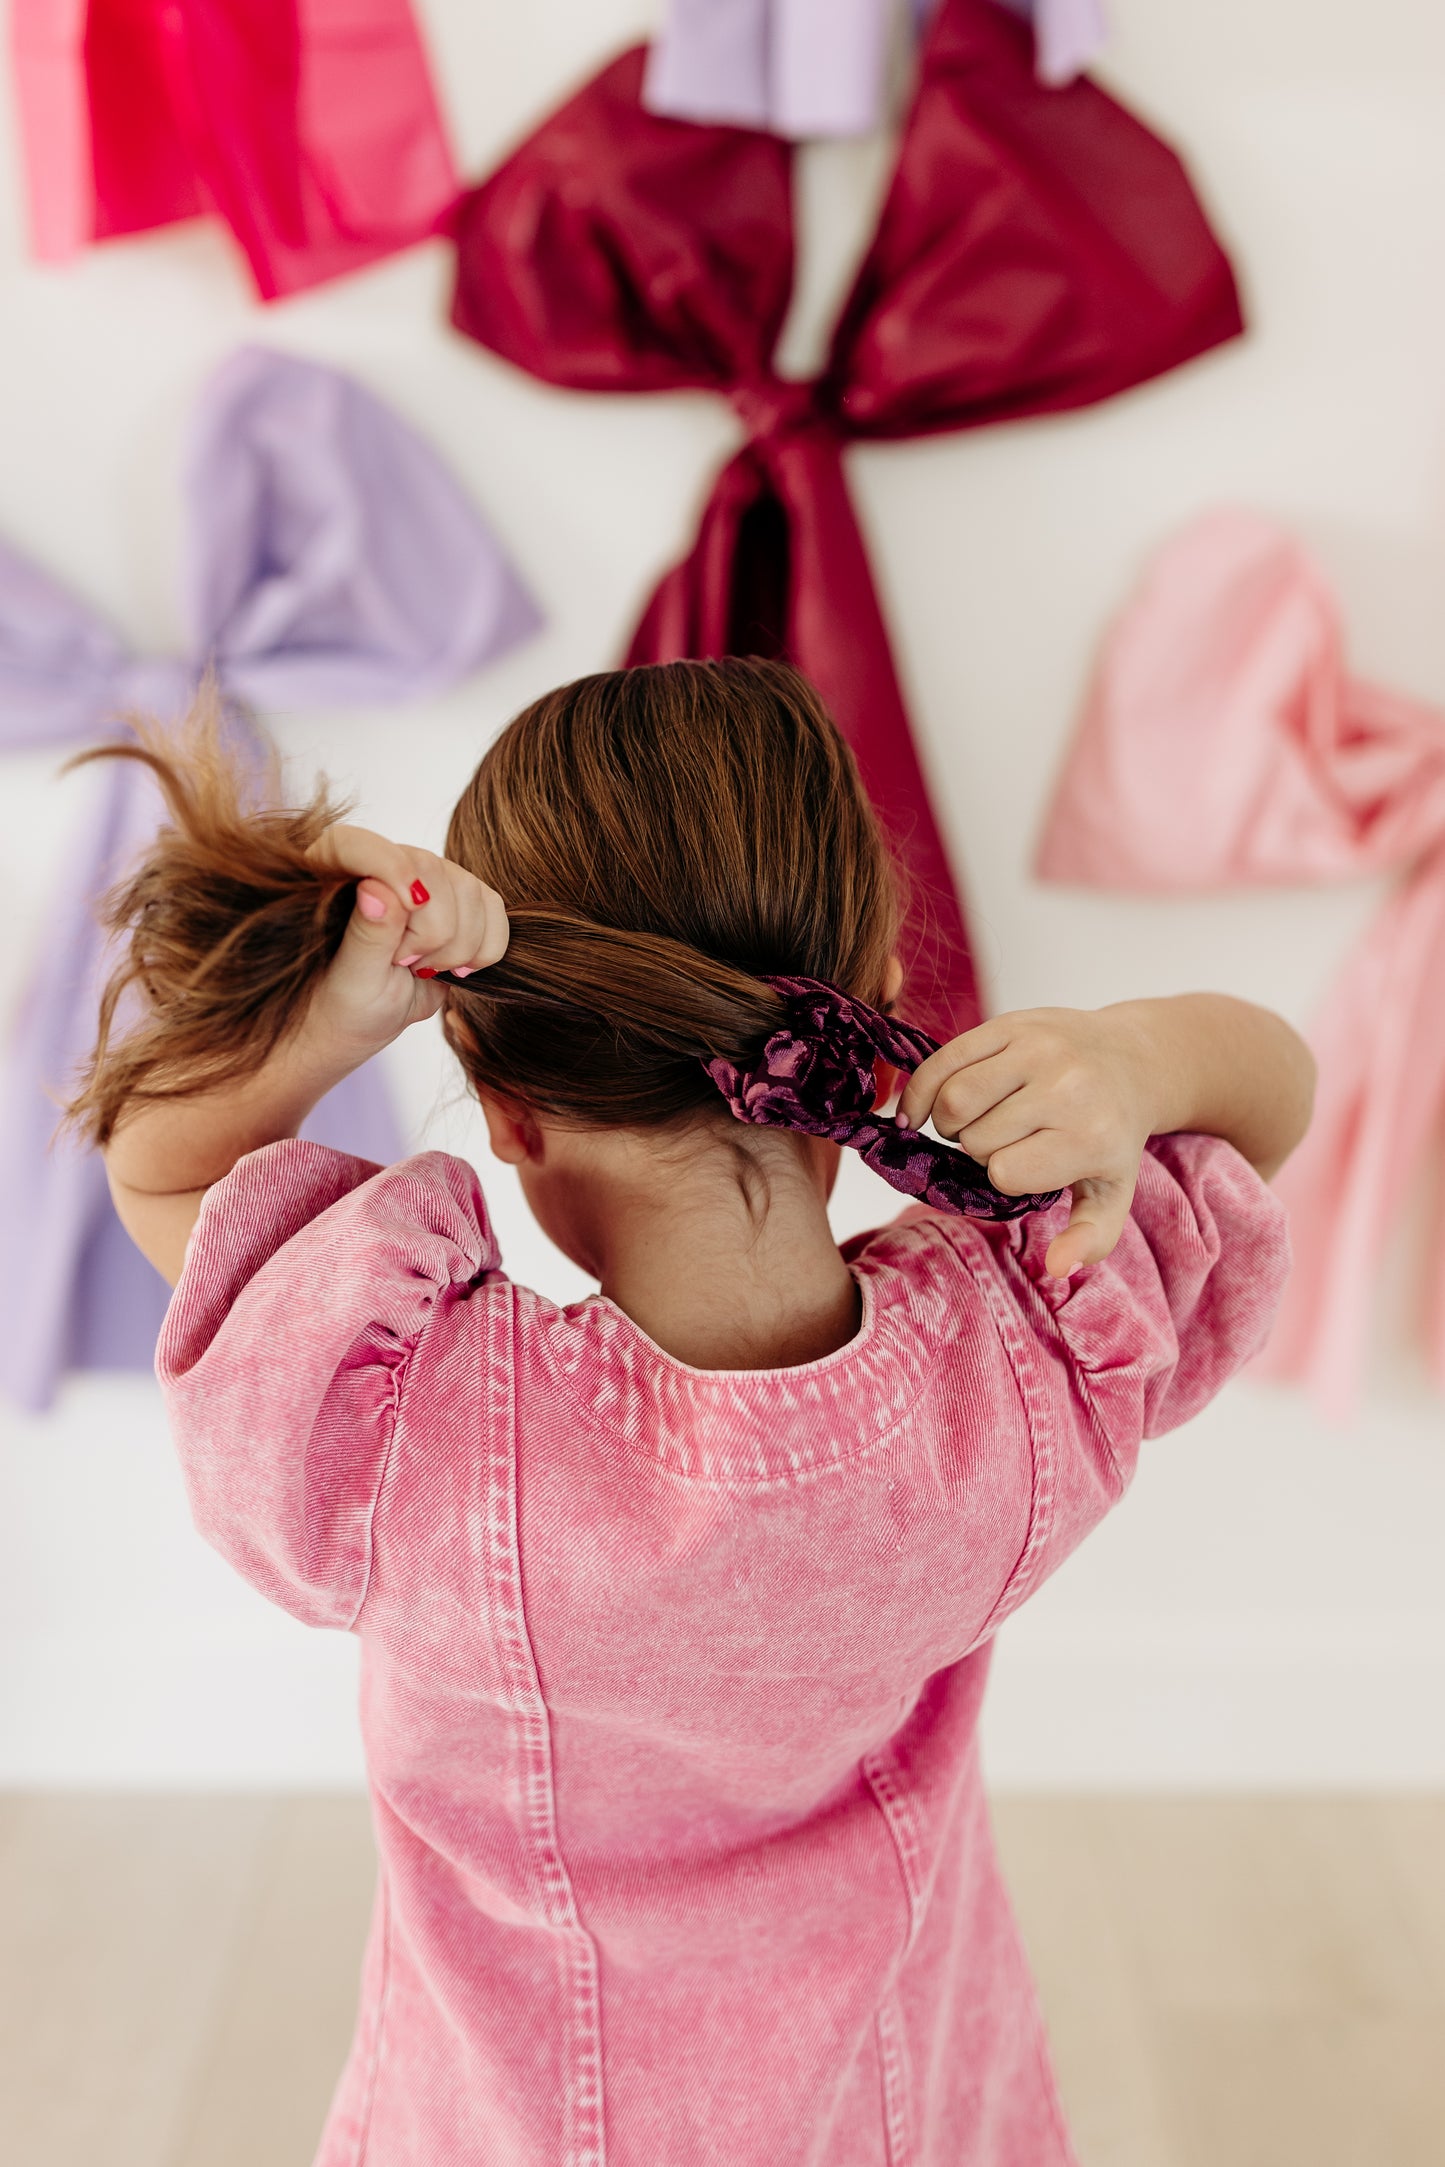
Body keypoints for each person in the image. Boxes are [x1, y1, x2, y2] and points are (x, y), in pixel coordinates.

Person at [75, 658, 1312, 2167]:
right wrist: (1134, 1058)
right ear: (878, 1019)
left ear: (505, 1103)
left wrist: (334, 1020)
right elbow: (1267, 1100)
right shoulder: (1036, 1346)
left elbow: (158, 1170)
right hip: (900, 2111)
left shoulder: (403, 1438)